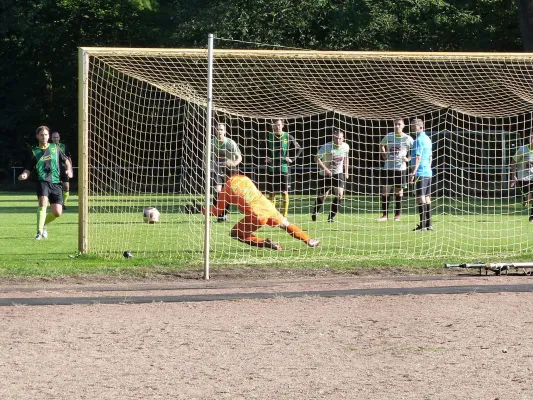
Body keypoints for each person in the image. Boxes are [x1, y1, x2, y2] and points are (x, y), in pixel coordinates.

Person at [204, 167, 320, 250]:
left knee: (236, 234)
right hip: (268, 206)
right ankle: (309, 240)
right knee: (286, 224)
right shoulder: (245, 178)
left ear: (225, 175)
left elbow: (217, 211)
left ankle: (264, 243)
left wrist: (201, 209)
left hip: (257, 215)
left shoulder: (228, 185)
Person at [18, 126, 73, 240]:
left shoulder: (55, 148)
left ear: (49, 136)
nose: (44, 137)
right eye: (42, 135)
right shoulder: (34, 151)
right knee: (43, 202)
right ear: (37, 136)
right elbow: (29, 167)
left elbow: (66, 161)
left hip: (56, 182)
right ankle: (38, 233)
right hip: (42, 181)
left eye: (46, 135)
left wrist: (69, 170)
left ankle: (43, 225)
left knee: (57, 213)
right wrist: (24, 175)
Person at [377, 118, 414, 222]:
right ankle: (384, 215)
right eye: (395, 124)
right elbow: (381, 145)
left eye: (399, 124)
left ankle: (397, 215)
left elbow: (415, 150)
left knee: (398, 192)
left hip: (400, 168)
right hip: (388, 167)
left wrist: (408, 159)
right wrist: (383, 154)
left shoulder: (408, 138)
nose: (397, 126)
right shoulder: (389, 136)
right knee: (385, 191)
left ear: (403, 126)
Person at [265, 119, 302, 217]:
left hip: (284, 168)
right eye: (275, 125)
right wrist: (265, 157)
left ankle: (284, 215)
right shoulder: (269, 137)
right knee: (271, 193)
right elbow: (261, 150)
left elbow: (299, 148)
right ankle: (273, 215)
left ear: (283, 125)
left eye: (279, 125)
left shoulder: (288, 136)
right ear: (273, 126)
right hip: (272, 168)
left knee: (284, 192)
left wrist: (292, 159)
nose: (277, 127)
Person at [312, 129, 350, 222]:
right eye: (336, 138)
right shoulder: (326, 147)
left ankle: (331, 217)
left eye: (340, 138)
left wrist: (346, 171)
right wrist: (326, 169)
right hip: (325, 174)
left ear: (343, 138)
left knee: (340, 194)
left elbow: (346, 158)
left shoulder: (346, 147)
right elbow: (316, 159)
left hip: (338, 173)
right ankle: (315, 211)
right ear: (333, 137)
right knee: (323, 195)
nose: (338, 140)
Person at [211, 123, 242, 222]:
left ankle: (224, 214)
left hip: (229, 171)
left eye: (221, 130)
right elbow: (205, 157)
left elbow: (239, 157)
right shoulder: (211, 143)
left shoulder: (230, 143)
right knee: (217, 192)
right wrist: (205, 166)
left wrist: (233, 164)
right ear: (215, 131)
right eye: (218, 129)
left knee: (227, 194)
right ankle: (220, 215)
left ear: (224, 131)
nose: (219, 131)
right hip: (217, 169)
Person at [409, 119, 433, 231]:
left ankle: (422, 225)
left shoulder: (418, 140)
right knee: (427, 197)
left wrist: (413, 173)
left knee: (420, 198)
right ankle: (429, 224)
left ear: (420, 127)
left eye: (414, 126)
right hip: (428, 171)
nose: (412, 128)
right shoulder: (427, 139)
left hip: (420, 172)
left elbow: (418, 158)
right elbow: (430, 157)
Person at [510, 134, 533, 223]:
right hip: (523, 178)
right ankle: (525, 198)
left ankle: (532, 217)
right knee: (530, 197)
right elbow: (513, 161)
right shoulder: (522, 150)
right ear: (530, 140)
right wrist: (513, 176)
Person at [51, 131, 72, 210]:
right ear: (51, 138)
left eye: (57, 137)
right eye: (54, 137)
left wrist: (70, 169)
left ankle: (64, 203)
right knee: (57, 188)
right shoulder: (49, 147)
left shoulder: (64, 146)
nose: (55, 139)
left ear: (59, 138)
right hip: (54, 170)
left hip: (64, 169)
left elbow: (69, 158)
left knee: (66, 187)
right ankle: (57, 203)